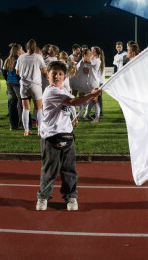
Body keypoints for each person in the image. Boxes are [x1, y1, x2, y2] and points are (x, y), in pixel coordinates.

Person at [36, 60, 102, 211]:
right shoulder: (50, 91)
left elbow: (70, 103)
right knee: (49, 170)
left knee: (69, 170)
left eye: (60, 74)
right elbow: (73, 101)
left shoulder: (63, 90)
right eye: (54, 74)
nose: (57, 76)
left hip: (67, 137)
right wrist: (90, 95)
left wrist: (88, 98)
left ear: (64, 77)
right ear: (48, 76)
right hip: (51, 138)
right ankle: (43, 198)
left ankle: (71, 197)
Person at [16, 39, 47, 136]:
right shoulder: (38, 57)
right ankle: (39, 130)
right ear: (35, 47)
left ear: (27, 47)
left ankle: (26, 131)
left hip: (24, 85)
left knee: (26, 109)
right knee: (38, 109)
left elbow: (17, 72)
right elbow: (44, 71)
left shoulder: (21, 57)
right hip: (35, 85)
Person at [4, 43, 23, 131]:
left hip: (9, 83)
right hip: (17, 83)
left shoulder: (8, 59)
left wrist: (7, 79)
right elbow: (20, 72)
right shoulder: (19, 59)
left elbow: (4, 71)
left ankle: (13, 125)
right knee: (21, 104)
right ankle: (24, 123)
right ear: (18, 51)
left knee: (11, 104)